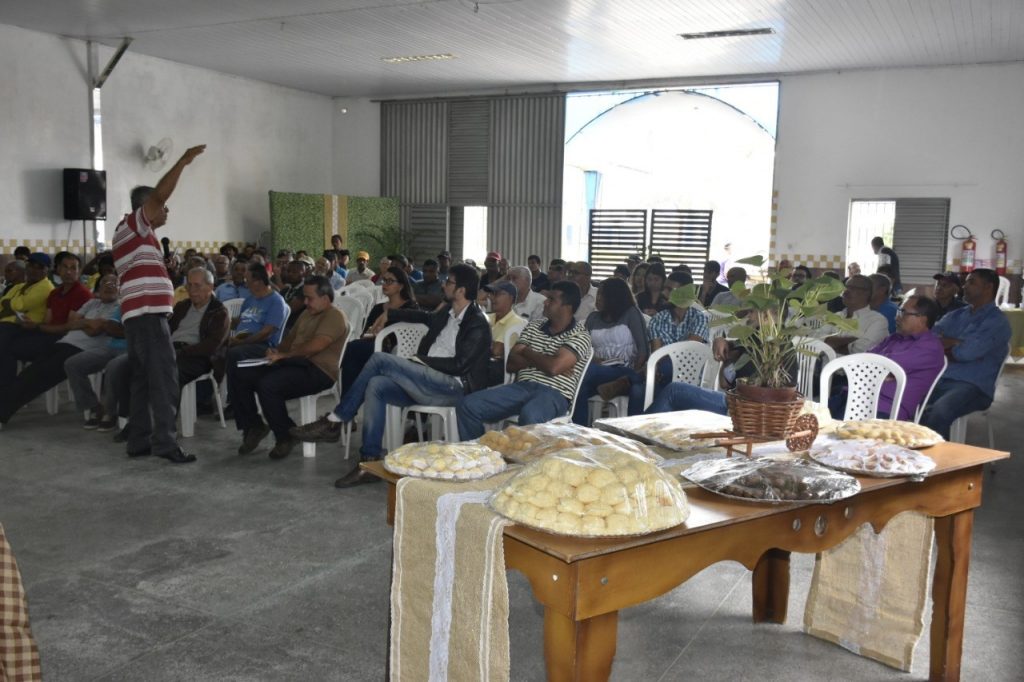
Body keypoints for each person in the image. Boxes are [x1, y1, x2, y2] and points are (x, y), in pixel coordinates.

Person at [292, 265, 491, 487]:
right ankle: (369, 462)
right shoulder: (448, 312)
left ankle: (336, 420)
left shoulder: (477, 323)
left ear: (461, 290)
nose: (444, 284)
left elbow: (460, 365)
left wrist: (420, 361)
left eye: (449, 282)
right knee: (376, 384)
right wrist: (390, 313)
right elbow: (424, 317)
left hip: (453, 388)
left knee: (380, 360)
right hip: (429, 382)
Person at [112, 144, 206, 464]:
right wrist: (183, 161)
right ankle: (165, 443)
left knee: (142, 379)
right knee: (165, 379)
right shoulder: (133, 226)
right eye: (162, 207)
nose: (166, 211)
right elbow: (159, 197)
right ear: (146, 208)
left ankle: (139, 440)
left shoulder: (143, 236)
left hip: (142, 317)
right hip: (148, 318)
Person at [231, 275, 348, 459]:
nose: (306, 302)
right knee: (242, 372)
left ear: (325, 299)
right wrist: (275, 351)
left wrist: (284, 355)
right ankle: (253, 425)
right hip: (294, 363)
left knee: (268, 384)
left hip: (318, 370)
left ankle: (284, 436)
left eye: (310, 298)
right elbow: (288, 342)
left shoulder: (334, 315)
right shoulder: (307, 313)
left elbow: (317, 345)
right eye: (304, 298)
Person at [456, 281, 592, 439]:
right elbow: (511, 364)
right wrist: (548, 357)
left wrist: (526, 351)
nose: (545, 302)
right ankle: (482, 456)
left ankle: (526, 462)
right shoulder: (534, 326)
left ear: (566, 307)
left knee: (531, 415)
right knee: (468, 405)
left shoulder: (580, 335)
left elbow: (553, 367)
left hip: (554, 394)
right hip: (522, 387)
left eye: (551, 300)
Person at [0, 274, 119, 424]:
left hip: (84, 349)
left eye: (114, 283)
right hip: (63, 343)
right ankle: (4, 404)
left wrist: (81, 323)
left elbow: (94, 331)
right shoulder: (92, 303)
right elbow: (70, 324)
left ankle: (3, 412)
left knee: (39, 376)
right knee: (29, 371)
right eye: (105, 283)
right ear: (99, 288)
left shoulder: (118, 306)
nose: (109, 285)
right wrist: (87, 323)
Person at [919, 269, 1011, 439]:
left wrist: (949, 344)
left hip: (973, 386)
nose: (965, 286)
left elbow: (966, 353)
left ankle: (938, 462)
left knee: (939, 411)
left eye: (971, 282)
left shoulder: (997, 322)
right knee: (903, 399)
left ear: (988, 287)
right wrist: (957, 343)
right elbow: (929, 341)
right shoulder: (956, 315)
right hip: (941, 378)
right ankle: (905, 454)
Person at [828, 295, 945, 420]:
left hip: (884, 408)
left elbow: (883, 365)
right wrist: (879, 371)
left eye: (903, 313)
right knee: (811, 418)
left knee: (829, 432)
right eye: (898, 311)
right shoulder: (894, 338)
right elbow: (863, 360)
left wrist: (878, 368)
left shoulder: (929, 346)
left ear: (922, 319)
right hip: (854, 396)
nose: (897, 317)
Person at [0, 252, 91, 387]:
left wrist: (36, 326)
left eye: (73, 268)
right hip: (46, 333)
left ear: (79, 271)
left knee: (6, 343)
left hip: (64, 341)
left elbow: (67, 328)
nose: (68, 272)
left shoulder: (81, 293)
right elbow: (48, 321)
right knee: (6, 345)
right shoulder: (55, 293)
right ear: (58, 270)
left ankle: (8, 390)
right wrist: (37, 326)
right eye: (65, 267)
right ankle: (8, 389)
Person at [572, 278, 649, 424]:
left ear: (614, 296)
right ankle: (580, 430)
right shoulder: (593, 318)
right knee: (579, 386)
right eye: (598, 294)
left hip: (625, 369)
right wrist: (593, 359)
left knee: (585, 373)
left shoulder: (631, 313)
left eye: (602, 294)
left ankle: (628, 381)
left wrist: (633, 374)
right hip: (598, 371)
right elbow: (583, 346)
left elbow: (643, 350)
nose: (597, 298)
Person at [338, 265, 419, 397]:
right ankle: (347, 403)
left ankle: (346, 405)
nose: (384, 284)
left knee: (351, 350)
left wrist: (382, 334)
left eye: (390, 281)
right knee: (353, 352)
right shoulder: (378, 308)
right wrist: (371, 333)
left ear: (401, 286)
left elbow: (409, 337)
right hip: (371, 345)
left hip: (396, 352)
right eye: (383, 280)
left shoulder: (410, 308)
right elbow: (365, 333)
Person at [823, 275, 888, 355]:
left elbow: (861, 350)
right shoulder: (836, 316)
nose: (846, 291)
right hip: (827, 366)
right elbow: (817, 340)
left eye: (852, 288)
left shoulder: (878, 321)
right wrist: (851, 340)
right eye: (845, 287)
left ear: (866, 293)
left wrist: (830, 343)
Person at [484, 281, 525, 386]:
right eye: (492, 294)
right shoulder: (487, 317)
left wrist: (477, 340)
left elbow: (497, 350)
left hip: (500, 369)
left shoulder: (517, 322)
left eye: (497, 294)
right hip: (484, 362)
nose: (492, 298)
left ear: (511, 298)